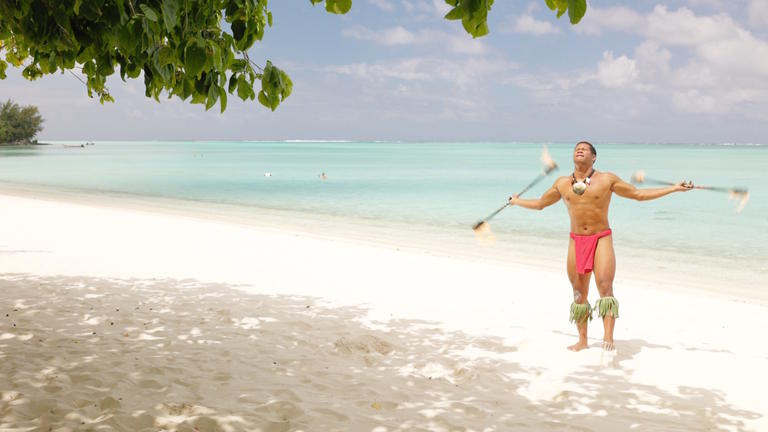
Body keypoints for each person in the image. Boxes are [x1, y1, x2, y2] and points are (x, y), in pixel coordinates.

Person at [508, 141, 693, 351]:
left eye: (584, 148)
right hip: (576, 240)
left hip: (601, 238)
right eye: (576, 148)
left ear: (594, 157)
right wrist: (517, 201)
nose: (579, 149)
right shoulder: (562, 183)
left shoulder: (607, 179)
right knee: (578, 294)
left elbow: (638, 195)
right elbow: (541, 203)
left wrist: (674, 188)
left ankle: (608, 337)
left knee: (605, 287)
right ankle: (582, 340)